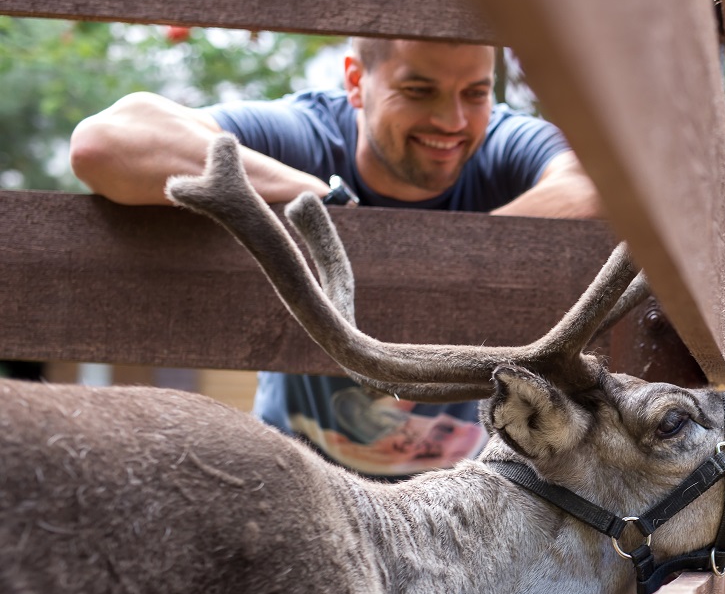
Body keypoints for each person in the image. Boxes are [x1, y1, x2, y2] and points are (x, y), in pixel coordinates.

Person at [69, 37, 602, 478]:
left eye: (476, 92)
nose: (452, 120)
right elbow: (106, 143)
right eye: (418, 90)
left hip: (462, 491)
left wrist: (431, 256)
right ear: (355, 82)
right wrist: (327, 206)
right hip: (298, 479)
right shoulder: (305, 133)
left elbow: (598, 187)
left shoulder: (506, 143)